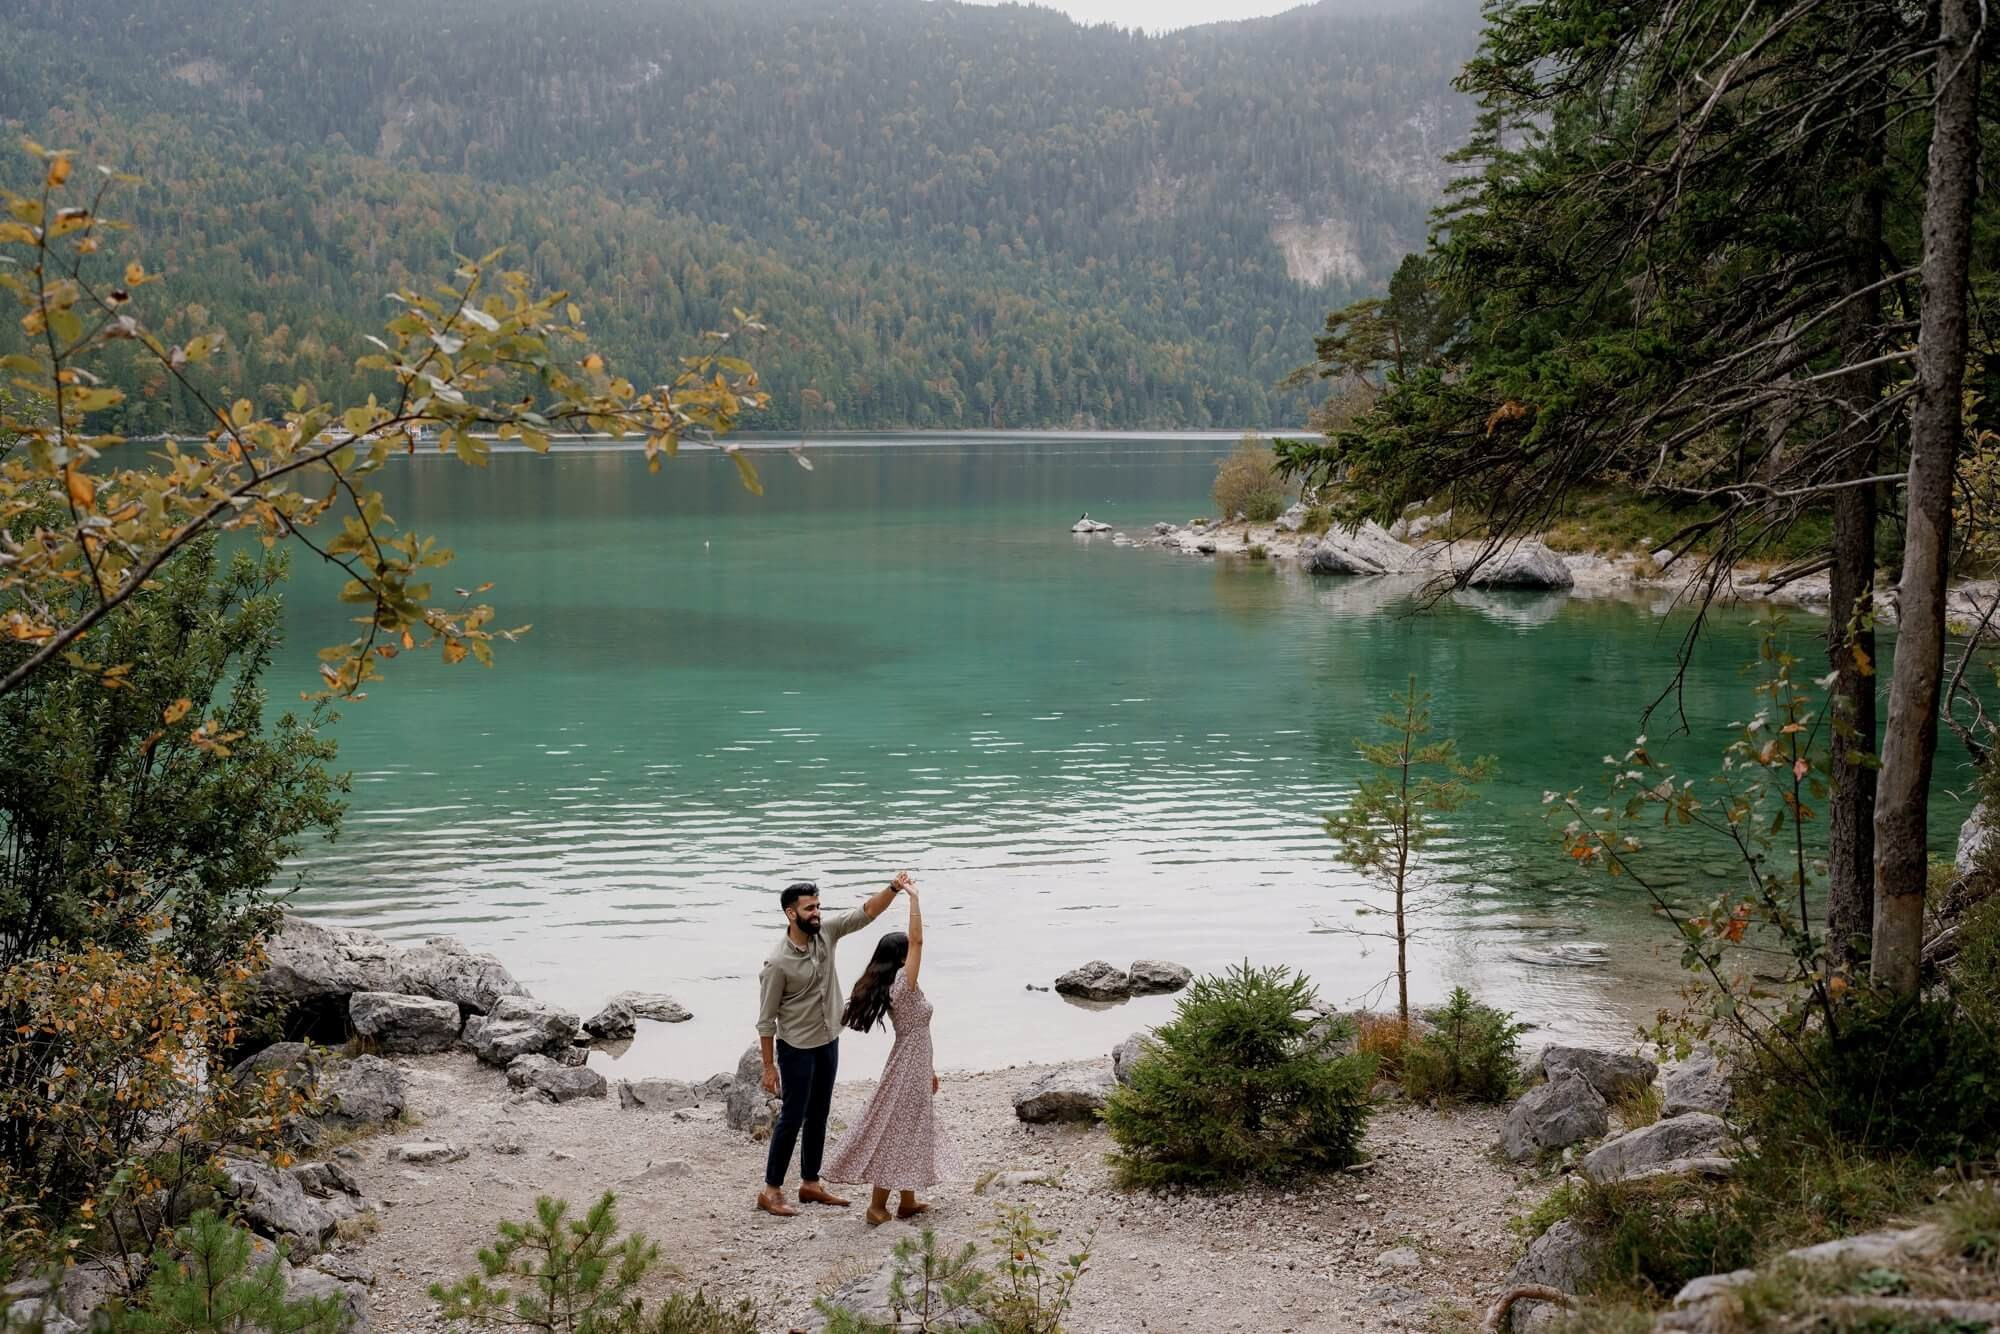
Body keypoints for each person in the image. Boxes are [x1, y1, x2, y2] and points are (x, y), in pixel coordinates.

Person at [753, 872, 911, 1218]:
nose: (817, 913)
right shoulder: (777, 962)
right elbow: (766, 1020)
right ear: (790, 914)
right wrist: (768, 1066)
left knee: (820, 1112)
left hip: (828, 1040)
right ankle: (770, 1190)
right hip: (796, 1046)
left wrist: (894, 889)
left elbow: (865, 913)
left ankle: (810, 1183)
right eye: (810, 908)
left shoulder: (826, 933)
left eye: (818, 906)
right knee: (792, 1117)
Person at [822, 879, 961, 1225]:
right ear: (902, 958)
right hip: (907, 1065)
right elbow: (918, 939)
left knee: (909, 1129)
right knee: (897, 1130)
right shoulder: (904, 983)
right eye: (909, 954)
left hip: (911, 1062)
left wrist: (929, 1069)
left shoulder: (897, 984)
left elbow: (919, 1033)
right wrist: (914, 899)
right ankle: (876, 1207)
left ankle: (907, 1201)